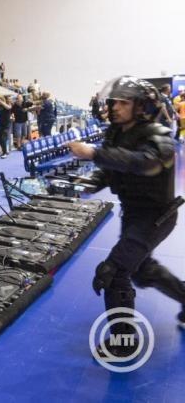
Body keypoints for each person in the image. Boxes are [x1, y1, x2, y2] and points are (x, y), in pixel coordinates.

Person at [69, 76, 185, 359]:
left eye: (124, 102)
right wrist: (86, 184)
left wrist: (95, 154)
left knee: (113, 273)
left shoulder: (158, 134)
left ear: (141, 105)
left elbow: (145, 163)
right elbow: (111, 171)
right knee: (142, 270)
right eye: (115, 101)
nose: (116, 107)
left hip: (155, 217)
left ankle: (124, 342)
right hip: (132, 214)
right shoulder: (116, 134)